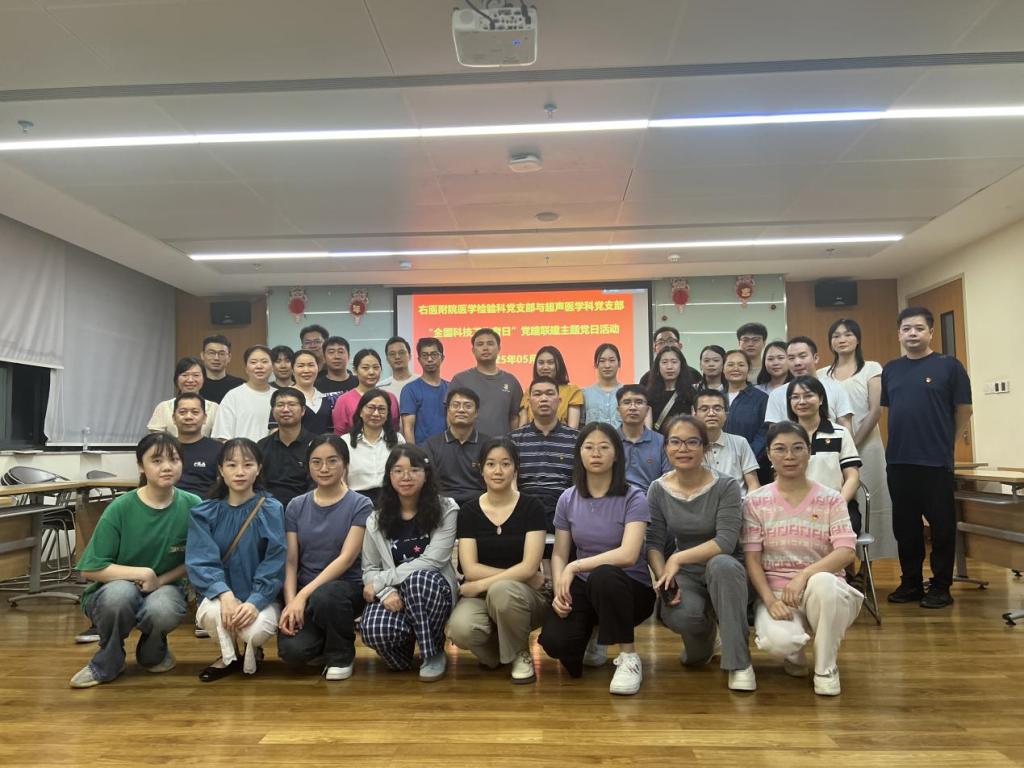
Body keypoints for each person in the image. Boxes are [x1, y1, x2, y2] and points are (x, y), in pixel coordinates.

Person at [69, 434, 200, 688]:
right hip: (113, 589)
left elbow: (196, 559)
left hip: (167, 588)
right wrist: (141, 574)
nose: (166, 467)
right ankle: (108, 660)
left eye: (174, 460)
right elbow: (90, 568)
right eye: (157, 460)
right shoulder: (121, 507)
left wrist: (159, 580)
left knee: (162, 608)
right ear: (141, 466)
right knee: (120, 594)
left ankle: (154, 650)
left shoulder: (193, 505)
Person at [742, 421, 863, 696]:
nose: (790, 456)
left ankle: (825, 668)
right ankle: (793, 652)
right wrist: (770, 601)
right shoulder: (755, 502)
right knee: (778, 643)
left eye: (798, 448)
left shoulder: (831, 499)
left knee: (822, 582)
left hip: (824, 591)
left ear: (809, 452)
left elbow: (846, 551)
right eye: (780, 449)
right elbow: (752, 559)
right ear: (769, 455)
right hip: (777, 593)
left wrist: (803, 576)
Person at [538, 423, 655, 695]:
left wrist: (575, 566)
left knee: (604, 575)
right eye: (589, 447)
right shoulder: (568, 498)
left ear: (616, 455)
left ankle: (629, 657)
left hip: (629, 588)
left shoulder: (634, 497)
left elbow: (628, 555)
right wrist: (559, 588)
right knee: (557, 643)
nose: (596, 453)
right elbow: (559, 552)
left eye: (604, 447)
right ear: (579, 453)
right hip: (585, 585)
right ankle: (593, 632)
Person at [646, 415, 755, 691]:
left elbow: (726, 541)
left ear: (705, 448)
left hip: (728, 569)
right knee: (689, 643)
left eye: (692, 442)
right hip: (687, 574)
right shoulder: (657, 489)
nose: (683, 449)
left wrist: (677, 558)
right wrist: (664, 577)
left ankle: (739, 663)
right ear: (666, 447)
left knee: (721, 565)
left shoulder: (726, 486)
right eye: (675, 442)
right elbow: (654, 543)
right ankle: (708, 638)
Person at [882, 306, 972, 609]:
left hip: (935, 462)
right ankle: (910, 583)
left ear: (931, 332)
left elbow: (964, 410)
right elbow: (893, 410)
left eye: (919, 328)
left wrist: (949, 443)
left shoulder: (950, 366)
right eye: (906, 328)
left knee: (942, 526)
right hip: (899, 461)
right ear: (899, 333)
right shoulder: (891, 369)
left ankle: (941, 586)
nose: (913, 333)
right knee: (905, 527)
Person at [447, 438, 548, 684]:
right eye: (491, 464)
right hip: (484, 597)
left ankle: (521, 653)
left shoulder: (532, 506)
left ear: (516, 469)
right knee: (459, 628)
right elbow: (470, 568)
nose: (498, 471)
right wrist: (523, 575)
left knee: (502, 590)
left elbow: (529, 566)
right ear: (481, 469)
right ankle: (498, 655)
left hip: (523, 597)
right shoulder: (469, 511)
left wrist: (481, 584)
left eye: (506, 463)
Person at [186, 438, 286, 681]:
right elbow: (201, 560)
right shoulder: (205, 512)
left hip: (261, 596)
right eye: (232, 465)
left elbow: (275, 560)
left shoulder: (271, 508)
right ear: (221, 470)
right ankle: (228, 656)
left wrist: (255, 601)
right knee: (213, 615)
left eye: (247, 464)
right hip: (220, 595)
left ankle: (253, 652)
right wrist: (224, 594)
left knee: (253, 631)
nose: (240, 472)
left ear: (258, 469)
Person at [277, 435, 373, 681]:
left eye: (332, 461)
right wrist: (291, 603)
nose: (324, 468)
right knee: (293, 652)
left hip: (345, 589)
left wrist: (302, 596)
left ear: (345, 464)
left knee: (326, 596)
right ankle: (323, 638)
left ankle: (341, 656)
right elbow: (291, 561)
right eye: (316, 462)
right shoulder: (296, 505)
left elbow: (346, 559)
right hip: (306, 590)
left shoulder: (361, 504)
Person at [360, 445, 459, 681]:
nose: (406, 477)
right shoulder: (375, 519)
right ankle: (405, 653)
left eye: (414, 470)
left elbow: (433, 560)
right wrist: (385, 591)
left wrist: (381, 581)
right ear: (389, 476)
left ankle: (433, 652)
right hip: (393, 594)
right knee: (374, 629)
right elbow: (370, 569)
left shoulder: (447, 508)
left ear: (426, 475)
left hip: (433, 590)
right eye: (398, 470)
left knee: (418, 581)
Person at [821, 318, 896, 559]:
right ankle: (841, 563)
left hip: (866, 445)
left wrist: (851, 443)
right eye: (836, 335)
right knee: (836, 499)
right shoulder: (821, 374)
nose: (841, 339)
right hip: (831, 449)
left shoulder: (871, 369)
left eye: (848, 334)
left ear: (858, 338)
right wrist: (841, 445)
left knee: (869, 500)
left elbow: (875, 411)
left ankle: (868, 562)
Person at [786, 376, 862, 533]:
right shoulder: (784, 436)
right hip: (795, 505)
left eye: (808, 395)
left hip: (836, 505)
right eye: (795, 397)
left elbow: (853, 477)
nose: (801, 401)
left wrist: (837, 505)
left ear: (821, 399)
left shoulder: (840, 433)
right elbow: (779, 477)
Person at [508, 377, 579, 529]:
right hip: (524, 507)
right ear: (529, 401)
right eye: (538, 394)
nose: (544, 399)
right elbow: (510, 482)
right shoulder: (514, 439)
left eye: (549, 393)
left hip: (563, 507)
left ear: (559, 401)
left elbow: (579, 484)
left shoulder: (576, 439)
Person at [764, 337, 853, 432]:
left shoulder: (836, 388)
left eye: (802, 356)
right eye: (791, 358)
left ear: (816, 358)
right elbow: (774, 432)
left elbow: (845, 427)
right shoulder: (776, 395)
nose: (797, 363)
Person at [422, 388, 489, 508]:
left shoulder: (488, 445)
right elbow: (427, 483)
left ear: (476, 413)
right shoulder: (431, 445)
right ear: (448, 411)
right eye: (456, 405)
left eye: (468, 406)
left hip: (480, 505)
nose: (461, 410)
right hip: (442, 506)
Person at [450, 328, 523, 436]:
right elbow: (450, 416)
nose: (485, 348)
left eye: (490, 343)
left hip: (501, 445)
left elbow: (514, 417)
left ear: (499, 348)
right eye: (480, 344)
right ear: (473, 350)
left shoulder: (511, 381)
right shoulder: (460, 380)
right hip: (467, 444)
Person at [257, 388, 315, 510]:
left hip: (307, 509)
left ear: (303, 410)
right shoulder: (262, 446)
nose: (286, 409)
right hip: (268, 509)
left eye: (292, 404)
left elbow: (318, 483)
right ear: (273, 412)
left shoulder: (316, 445)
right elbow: (258, 484)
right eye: (280, 405)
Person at [694, 390, 760, 496]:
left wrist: (748, 504)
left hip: (738, 503)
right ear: (695, 415)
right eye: (704, 409)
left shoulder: (740, 443)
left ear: (726, 414)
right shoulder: (688, 446)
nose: (711, 413)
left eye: (717, 409)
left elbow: (753, 484)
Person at [347, 388, 406, 505]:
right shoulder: (345, 441)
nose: (376, 413)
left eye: (382, 409)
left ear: (388, 414)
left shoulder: (398, 440)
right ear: (360, 412)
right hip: (356, 501)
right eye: (371, 408)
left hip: (391, 500)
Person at [212, 345, 275, 442]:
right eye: (253, 362)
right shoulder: (233, 396)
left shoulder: (279, 396)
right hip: (239, 451)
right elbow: (222, 436)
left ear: (272, 367)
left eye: (264, 361)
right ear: (246, 368)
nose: (259, 366)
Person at [332, 349, 400, 436]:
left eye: (376, 367)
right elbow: (339, 435)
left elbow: (394, 428)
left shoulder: (391, 398)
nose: (371, 372)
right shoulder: (344, 400)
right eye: (365, 368)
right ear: (355, 370)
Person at [147, 356, 219, 437]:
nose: (190, 380)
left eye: (196, 375)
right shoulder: (163, 407)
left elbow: (218, 439)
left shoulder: (214, 408)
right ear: (176, 378)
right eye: (185, 375)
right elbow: (156, 439)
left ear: (203, 378)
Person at [615, 384, 669, 492]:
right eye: (627, 402)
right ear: (618, 410)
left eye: (639, 402)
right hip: (616, 498)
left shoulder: (661, 442)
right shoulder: (609, 440)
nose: (633, 407)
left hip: (651, 499)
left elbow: (668, 479)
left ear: (647, 410)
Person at [518, 346, 583, 428]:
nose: (545, 367)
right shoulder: (529, 392)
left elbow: (572, 428)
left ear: (559, 365)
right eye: (541, 363)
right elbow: (523, 425)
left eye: (550, 362)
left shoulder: (572, 391)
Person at [400, 337, 449, 444]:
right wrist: (413, 453)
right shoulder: (410, 390)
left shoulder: (450, 388)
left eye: (434, 354)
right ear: (419, 359)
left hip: (447, 449)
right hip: (421, 450)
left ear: (442, 358)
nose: (430, 359)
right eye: (425, 355)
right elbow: (408, 428)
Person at [722, 349, 769, 461]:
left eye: (741, 365)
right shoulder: (715, 398)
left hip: (751, 462)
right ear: (723, 369)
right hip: (718, 461)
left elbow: (764, 433)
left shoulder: (761, 399)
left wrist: (746, 457)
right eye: (730, 364)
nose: (736, 368)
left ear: (748, 369)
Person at [172, 393, 220, 497]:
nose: (188, 417)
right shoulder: (165, 449)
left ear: (205, 418)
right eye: (182, 412)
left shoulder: (219, 450)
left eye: (195, 412)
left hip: (204, 505)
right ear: (174, 418)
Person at [646, 347, 696, 432]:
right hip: (658, 439)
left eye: (674, 362)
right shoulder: (649, 394)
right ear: (658, 366)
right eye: (664, 362)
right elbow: (647, 428)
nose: (669, 367)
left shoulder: (691, 393)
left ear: (681, 365)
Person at [290, 350, 332, 435]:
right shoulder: (284, 396)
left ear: (318, 368)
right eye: (301, 366)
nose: (306, 370)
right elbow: (276, 430)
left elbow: (330, 431)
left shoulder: (324, 398)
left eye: (311, 365)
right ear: (292, 370)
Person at [583, 343, 624, 427]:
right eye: (602, 361)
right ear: (595, 364)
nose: (607, 365)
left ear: (619, 363)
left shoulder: (627, 392)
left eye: (612, 360)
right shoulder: (585, 393)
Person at [199, 334, 244, 404]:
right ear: (202, 355)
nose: (216, 358)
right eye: (211, 353)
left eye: (222, 354)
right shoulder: (195, 384)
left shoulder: (240, 385)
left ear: (229, 357)